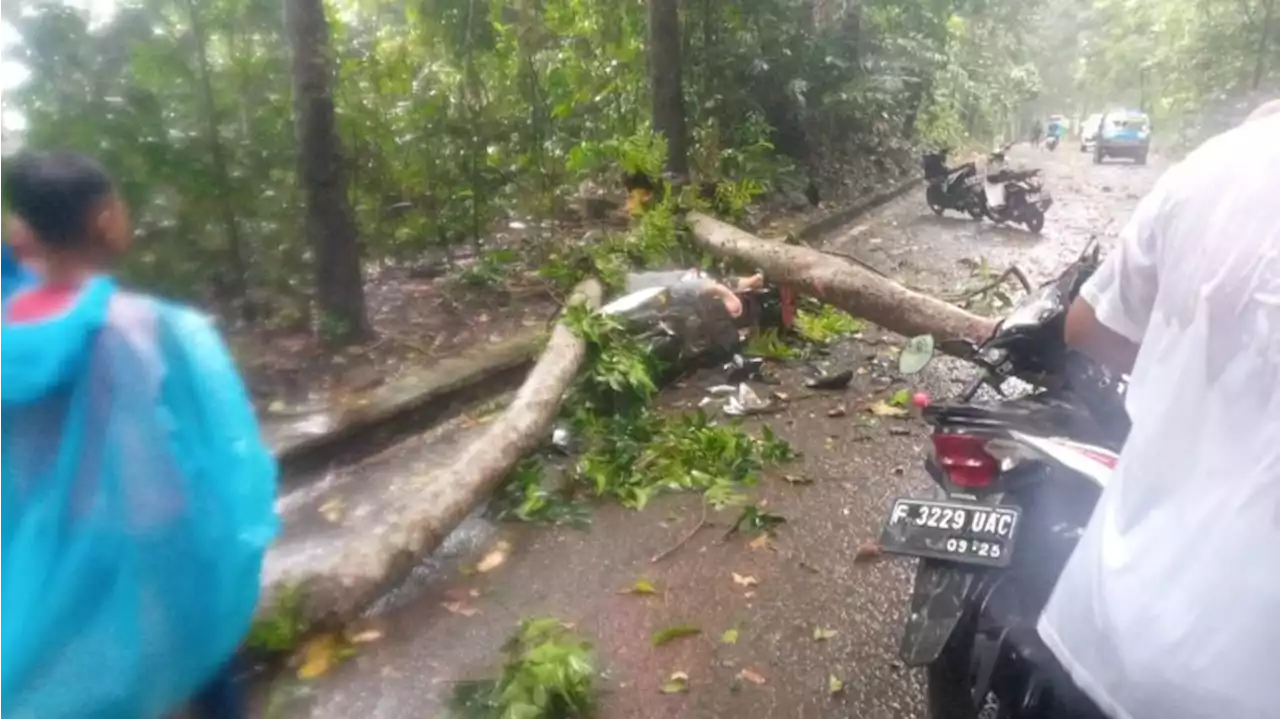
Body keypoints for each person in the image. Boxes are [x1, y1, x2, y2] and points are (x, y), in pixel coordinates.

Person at [0, 151, 278, 718]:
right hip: (159, 529)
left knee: (97, 673)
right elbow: (216, 444)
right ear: (105, 217)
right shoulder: (149, 324)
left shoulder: (8, 331)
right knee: (206, 657)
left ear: (28, 229)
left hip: (65, 540)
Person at [1041, 110, 1280, 718]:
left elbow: (1086, 324)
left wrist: (1184, 364)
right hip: (1245, 671)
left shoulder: (1211, 164)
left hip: (1107, 626)